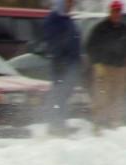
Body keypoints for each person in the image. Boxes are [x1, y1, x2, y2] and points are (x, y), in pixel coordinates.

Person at [42, 0, 82, 135]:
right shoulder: (55, 18)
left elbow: (73, 40)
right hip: (60, 64)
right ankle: (55, 125)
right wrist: (60, 58)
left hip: (70, 64)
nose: (71, 5)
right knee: (59, 95)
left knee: (64, 95)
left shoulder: (66, 19)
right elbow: (52, 40)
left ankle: (60, 123)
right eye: (68, 3)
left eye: (72, 3)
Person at [86, 0, 126, 132]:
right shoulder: (101, 28)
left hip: (120, 68)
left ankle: (114, 123)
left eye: (118, 11)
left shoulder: (123, 29)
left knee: (117, 96)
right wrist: (97, 63)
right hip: (104, 67)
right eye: (114, 11)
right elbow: (90, 46)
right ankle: (98, 123)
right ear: (110, 12)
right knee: (102, 96)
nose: (116, 14)